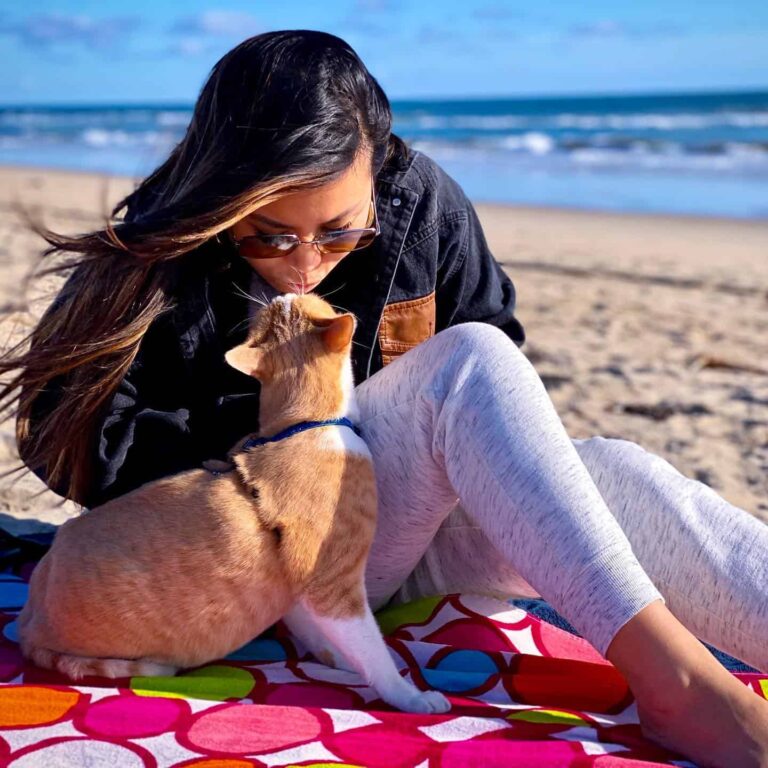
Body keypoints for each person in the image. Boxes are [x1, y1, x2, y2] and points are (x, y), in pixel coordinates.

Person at [4, 29, 768, 766]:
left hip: (399, 539)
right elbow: (65, 432)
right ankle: (676, 682)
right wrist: (272, 445)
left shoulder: (423, 204)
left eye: (340, 235)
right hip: (266, 566)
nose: (304, 265)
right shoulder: (166, 237)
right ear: (225, 197)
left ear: (379, 166)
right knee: (467, 360)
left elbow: (496, 391)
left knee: (610, 471)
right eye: (267, 236)